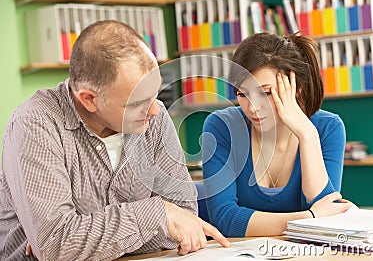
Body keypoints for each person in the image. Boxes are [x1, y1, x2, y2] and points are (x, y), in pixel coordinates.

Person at [0, 20, 229, 261]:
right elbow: (56, 245)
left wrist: (84, 240)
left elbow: (184, 221)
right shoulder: (35, 123)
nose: (154, 111)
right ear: (89, 99)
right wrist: (156, 214)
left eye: (155, 94)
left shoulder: (155, 117)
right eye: (137, 103)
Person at [202, 32, 353, 237]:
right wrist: (309, 218)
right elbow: (225, 219)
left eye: (265, 93)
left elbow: (327, 214)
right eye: (242, 94)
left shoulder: (327, 128)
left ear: (296, 87)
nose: (253, 107)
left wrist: (307, 134)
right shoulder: (222, 126)